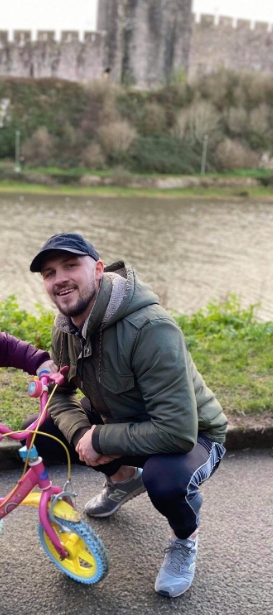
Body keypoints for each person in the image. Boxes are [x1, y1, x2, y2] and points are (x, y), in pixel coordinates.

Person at [26, 232, 228, 599]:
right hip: (124, 420)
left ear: (99, 270)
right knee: (41, 431)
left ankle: (185, 540)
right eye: (49, 272)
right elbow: (61, 394)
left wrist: (99, 439)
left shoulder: (151, 328)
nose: (60, 279)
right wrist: (80, 434)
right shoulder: (65, 327)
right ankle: (122, 479)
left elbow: (178, 431)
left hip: (194, 434)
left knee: (165, 481)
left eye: (71, 265)